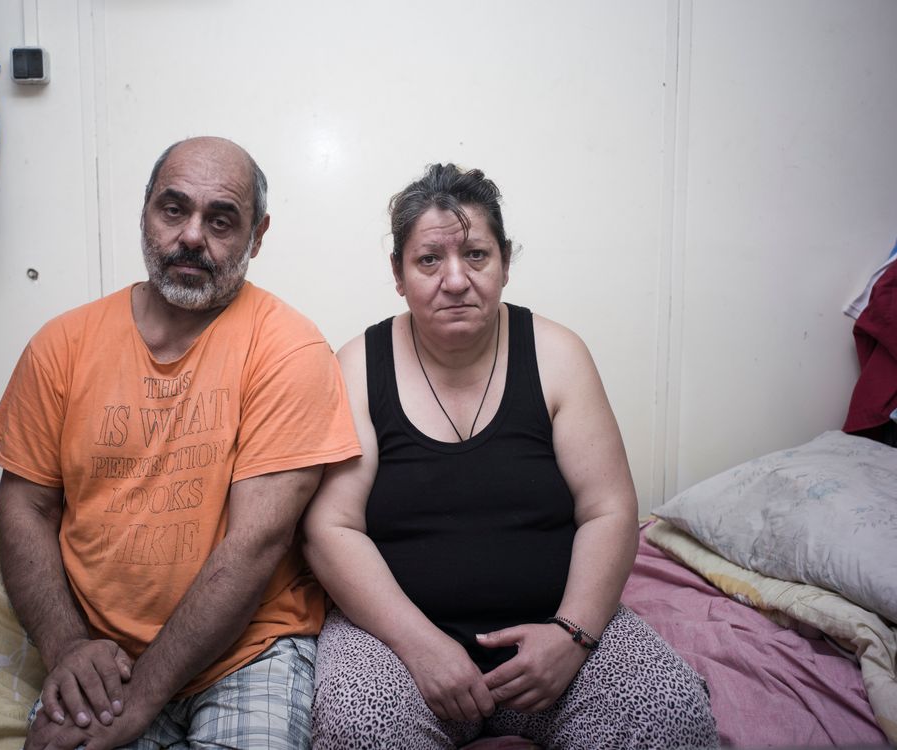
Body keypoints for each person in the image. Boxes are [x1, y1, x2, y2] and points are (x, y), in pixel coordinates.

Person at [303, 163, 719, 749]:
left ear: (504, 263)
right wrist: (419, 645)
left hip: (554, 633)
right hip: (399, 645)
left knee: (667, 709)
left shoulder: (558, 354)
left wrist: (572, 635)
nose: (455, 280)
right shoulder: (357, 366)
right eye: (429, 260)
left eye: (476, 255)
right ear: (398, 274)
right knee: (359, 725)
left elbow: (609, 509)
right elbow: (331, 527)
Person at [0, 136, 361, 750]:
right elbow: (25, 506)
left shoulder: (289, 349)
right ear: (145, 213)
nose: (191, 236)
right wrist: (68, 648)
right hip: (100, 652)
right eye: (173, 209)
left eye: (221, 220)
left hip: (250, 652)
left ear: (257, 237)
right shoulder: (62, 345)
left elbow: (256, 543)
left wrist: (140, 700)